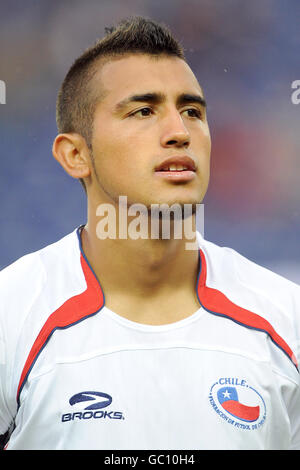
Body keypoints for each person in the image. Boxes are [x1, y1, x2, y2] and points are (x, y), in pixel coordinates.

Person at [0, 16, 299, 451]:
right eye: (143, 111)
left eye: (193, 111)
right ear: (75, 155)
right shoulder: (10, 318)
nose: (180, 133)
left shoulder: (286, 321)